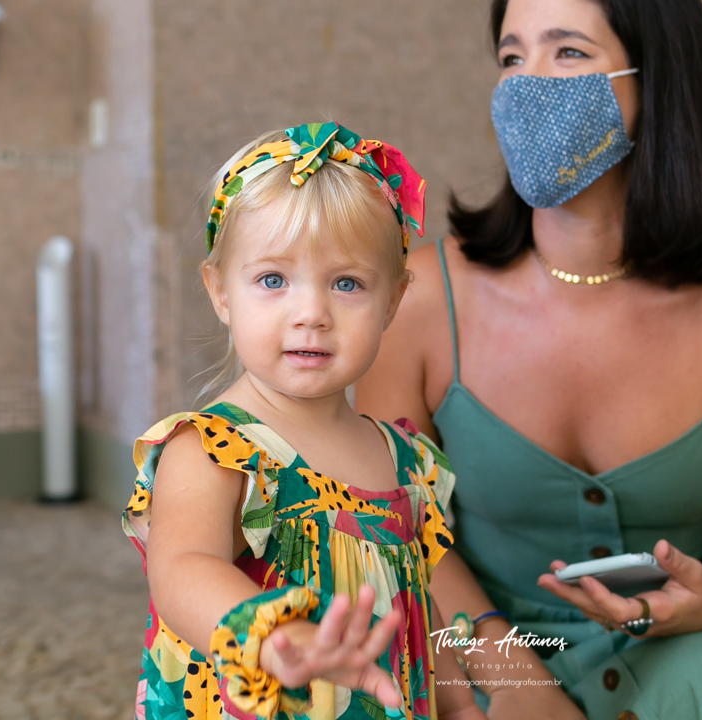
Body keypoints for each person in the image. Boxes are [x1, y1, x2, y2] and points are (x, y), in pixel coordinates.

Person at [355, 0, 702, 718]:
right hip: (478, 639)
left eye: (569, 53)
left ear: (660, 82)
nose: (526, 84)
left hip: (682, 639)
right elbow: (391, 529)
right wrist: (516, 680)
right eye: (512, 57)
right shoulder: (419, 299)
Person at [121, 122, 486, 720]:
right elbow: (181, 568)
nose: (311, 313)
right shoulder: (214, 449)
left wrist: (459, 704)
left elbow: (418, 606)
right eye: (273, 280)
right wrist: (269, 636)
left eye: (347, 283)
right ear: (220, 292)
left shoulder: (403, 458)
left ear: (393, 300)